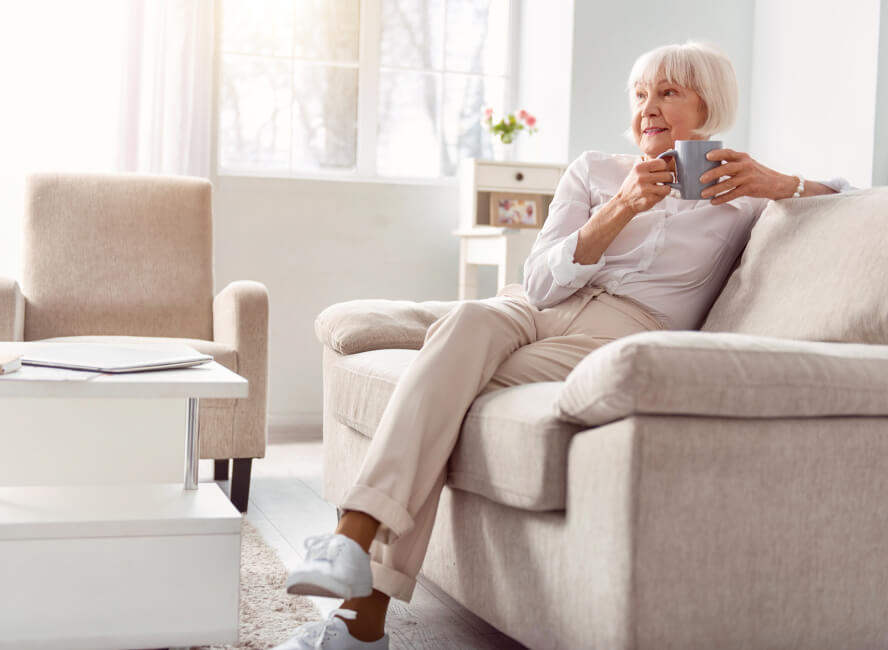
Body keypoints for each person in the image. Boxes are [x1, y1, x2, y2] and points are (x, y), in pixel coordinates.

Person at [272, 41, 850, 650]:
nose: (648, 107)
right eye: (639, 94)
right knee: (466, 320)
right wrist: (621, 206)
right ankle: (352, 550)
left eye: (668, 92)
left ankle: (357, 608)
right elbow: (541, 278)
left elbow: (850, 203)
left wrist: (783, 182)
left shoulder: (745, 198)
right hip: (536, 306)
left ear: (710, 104)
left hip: (625, 329)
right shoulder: (595, 170)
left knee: (445, 390)